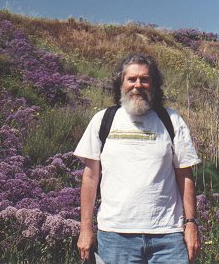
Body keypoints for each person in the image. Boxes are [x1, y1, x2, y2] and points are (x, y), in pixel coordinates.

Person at [74, 54, 201, 263]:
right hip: (115, 237)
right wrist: (85, 228)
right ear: (121, 83)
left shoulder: (172, 120)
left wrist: (191, 224)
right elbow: (89, 178)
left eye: (145, 79)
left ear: (154, 84)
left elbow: (185, 176)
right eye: (131, 79)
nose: (138, 85)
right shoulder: (103, 120)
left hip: (168, 237)